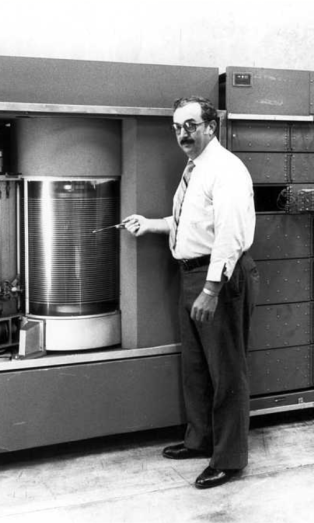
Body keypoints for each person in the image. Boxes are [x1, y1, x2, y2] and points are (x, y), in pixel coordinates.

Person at [121, 96, 258, 489]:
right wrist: (151, 224)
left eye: (191, 126)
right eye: (177, 127)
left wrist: (212, 289)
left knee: (226, 371)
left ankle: (229, 459)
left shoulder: (226, 169)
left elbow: (230, 235)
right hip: (192, 275)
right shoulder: (195, 169)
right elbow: (193, 223)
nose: (183, 134)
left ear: (211, 127)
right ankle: (201, 440)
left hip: (219, 278)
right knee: (196, 367)